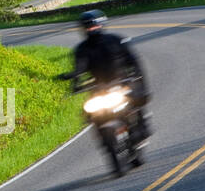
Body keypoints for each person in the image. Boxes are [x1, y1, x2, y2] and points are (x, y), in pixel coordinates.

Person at [62, 9, 152, 141]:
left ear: (101, 25)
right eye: (88, 26)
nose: (91, 29)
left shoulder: (115, 40)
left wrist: (136, 76)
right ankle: (105, 141)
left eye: (94, 25)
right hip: (100, 88)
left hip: (122, 82)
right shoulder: (81, 49)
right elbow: (79, 68)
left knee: (136, 97)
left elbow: (133, 60)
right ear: (83, 28)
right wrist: (74, 82)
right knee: (92, 113)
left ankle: (141, 125)